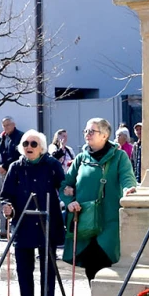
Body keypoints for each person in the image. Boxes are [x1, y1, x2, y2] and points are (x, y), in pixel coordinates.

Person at [0, 130, 66, 296]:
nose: (29, 147)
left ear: (42, 147)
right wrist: (7, 206)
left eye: (34, 144)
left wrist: (70, 196)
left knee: (48, 269)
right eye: (26, 144)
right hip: (23, 223)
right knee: (24, 269)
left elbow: (63, 187)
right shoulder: (16, 167)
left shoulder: (52, 165)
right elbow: (6, 194)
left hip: (47, 222)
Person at [60, 118, 136, 282]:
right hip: (85, 222)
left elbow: (127, 178)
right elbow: (65, 185)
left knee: (107, 265)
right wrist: (69, 201)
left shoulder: (119, 157)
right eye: (86, 131)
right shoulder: (81, 159)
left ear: (104, 135)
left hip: (108, 222)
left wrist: (128, 190)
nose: (87, 134)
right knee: (91, 269)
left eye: (91, 131)